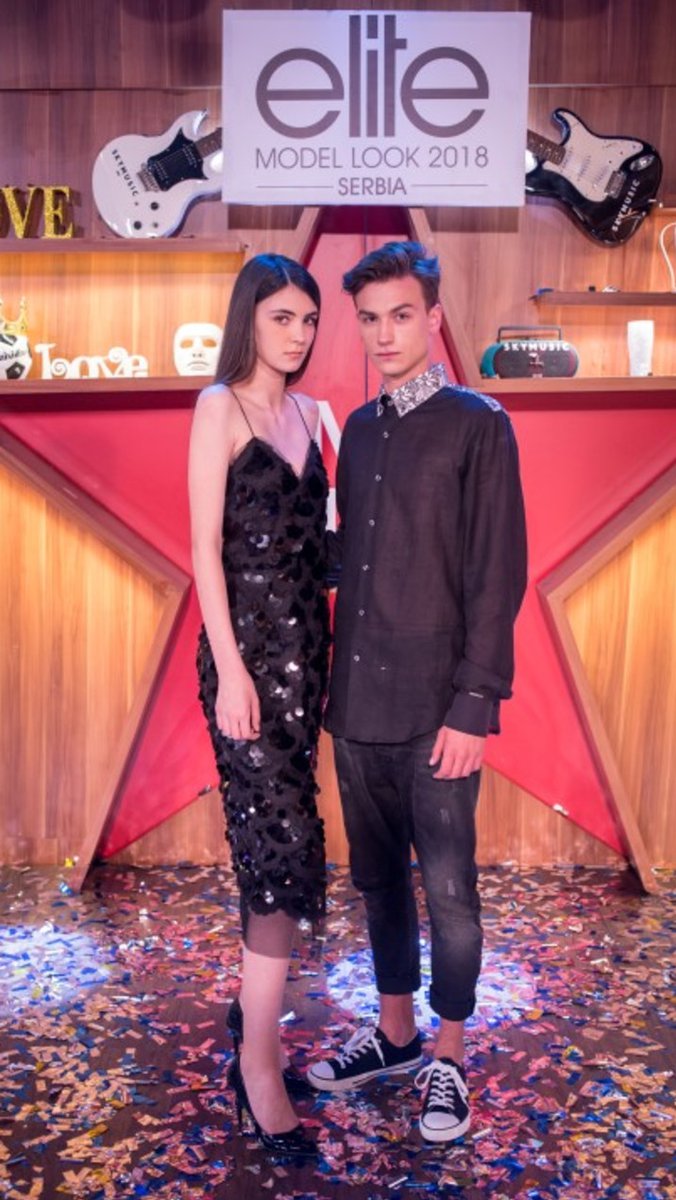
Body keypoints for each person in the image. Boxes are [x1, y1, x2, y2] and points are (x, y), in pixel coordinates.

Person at [308, 242, 527, 1144]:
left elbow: (496, 573)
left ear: (432, 318)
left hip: (440, 712)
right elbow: (352, 560)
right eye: (369, 319)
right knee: (376, 881)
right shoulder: (358, 431)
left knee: (449, 891)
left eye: (401, 315)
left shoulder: (479, 424)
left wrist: (475, 704)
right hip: (356, 703)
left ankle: (449, 1055)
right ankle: (395, 1033)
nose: (385, 334)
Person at [188, 254, 329, 1160]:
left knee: (279, 843)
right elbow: (203, 548)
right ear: (250, 319)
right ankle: (259, 1065)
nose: (299, 334)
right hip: (246, 665)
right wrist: (233, 673)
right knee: (280, 851)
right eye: (283, 317)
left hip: (310, 667)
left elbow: (327, 548)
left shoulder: (315, 415)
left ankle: (252, 1012)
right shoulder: (221, 408)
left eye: (309, 320)